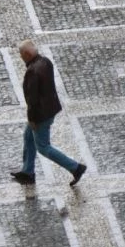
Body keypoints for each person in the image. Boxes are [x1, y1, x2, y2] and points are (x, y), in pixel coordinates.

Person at [10, 39, 87, 187]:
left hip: (40, 115)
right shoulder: (45, 61)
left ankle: (75, 167)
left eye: (21, 54)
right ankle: (28, 172)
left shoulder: (32, 71)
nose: (20, 57)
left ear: (26, 54)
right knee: (28, 137)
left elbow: (32, 99)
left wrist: (32, 118)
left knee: (43, 147)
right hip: (49, 109)